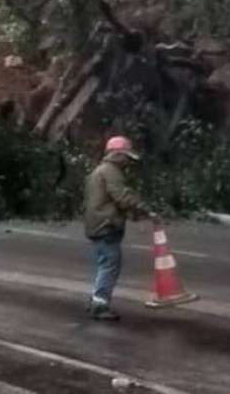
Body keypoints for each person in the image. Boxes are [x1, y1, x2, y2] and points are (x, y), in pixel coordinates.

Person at [83, 135, 155, 321]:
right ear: (116, 155)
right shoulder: (111, 172)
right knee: (109, 265)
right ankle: (99, 305)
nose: (128, 161)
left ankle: (96, 299)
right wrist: (146, 210)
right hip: (106, 226)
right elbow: (122, 197)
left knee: (104, 264)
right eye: (125, 156)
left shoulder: (99, 171)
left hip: (96, 224)